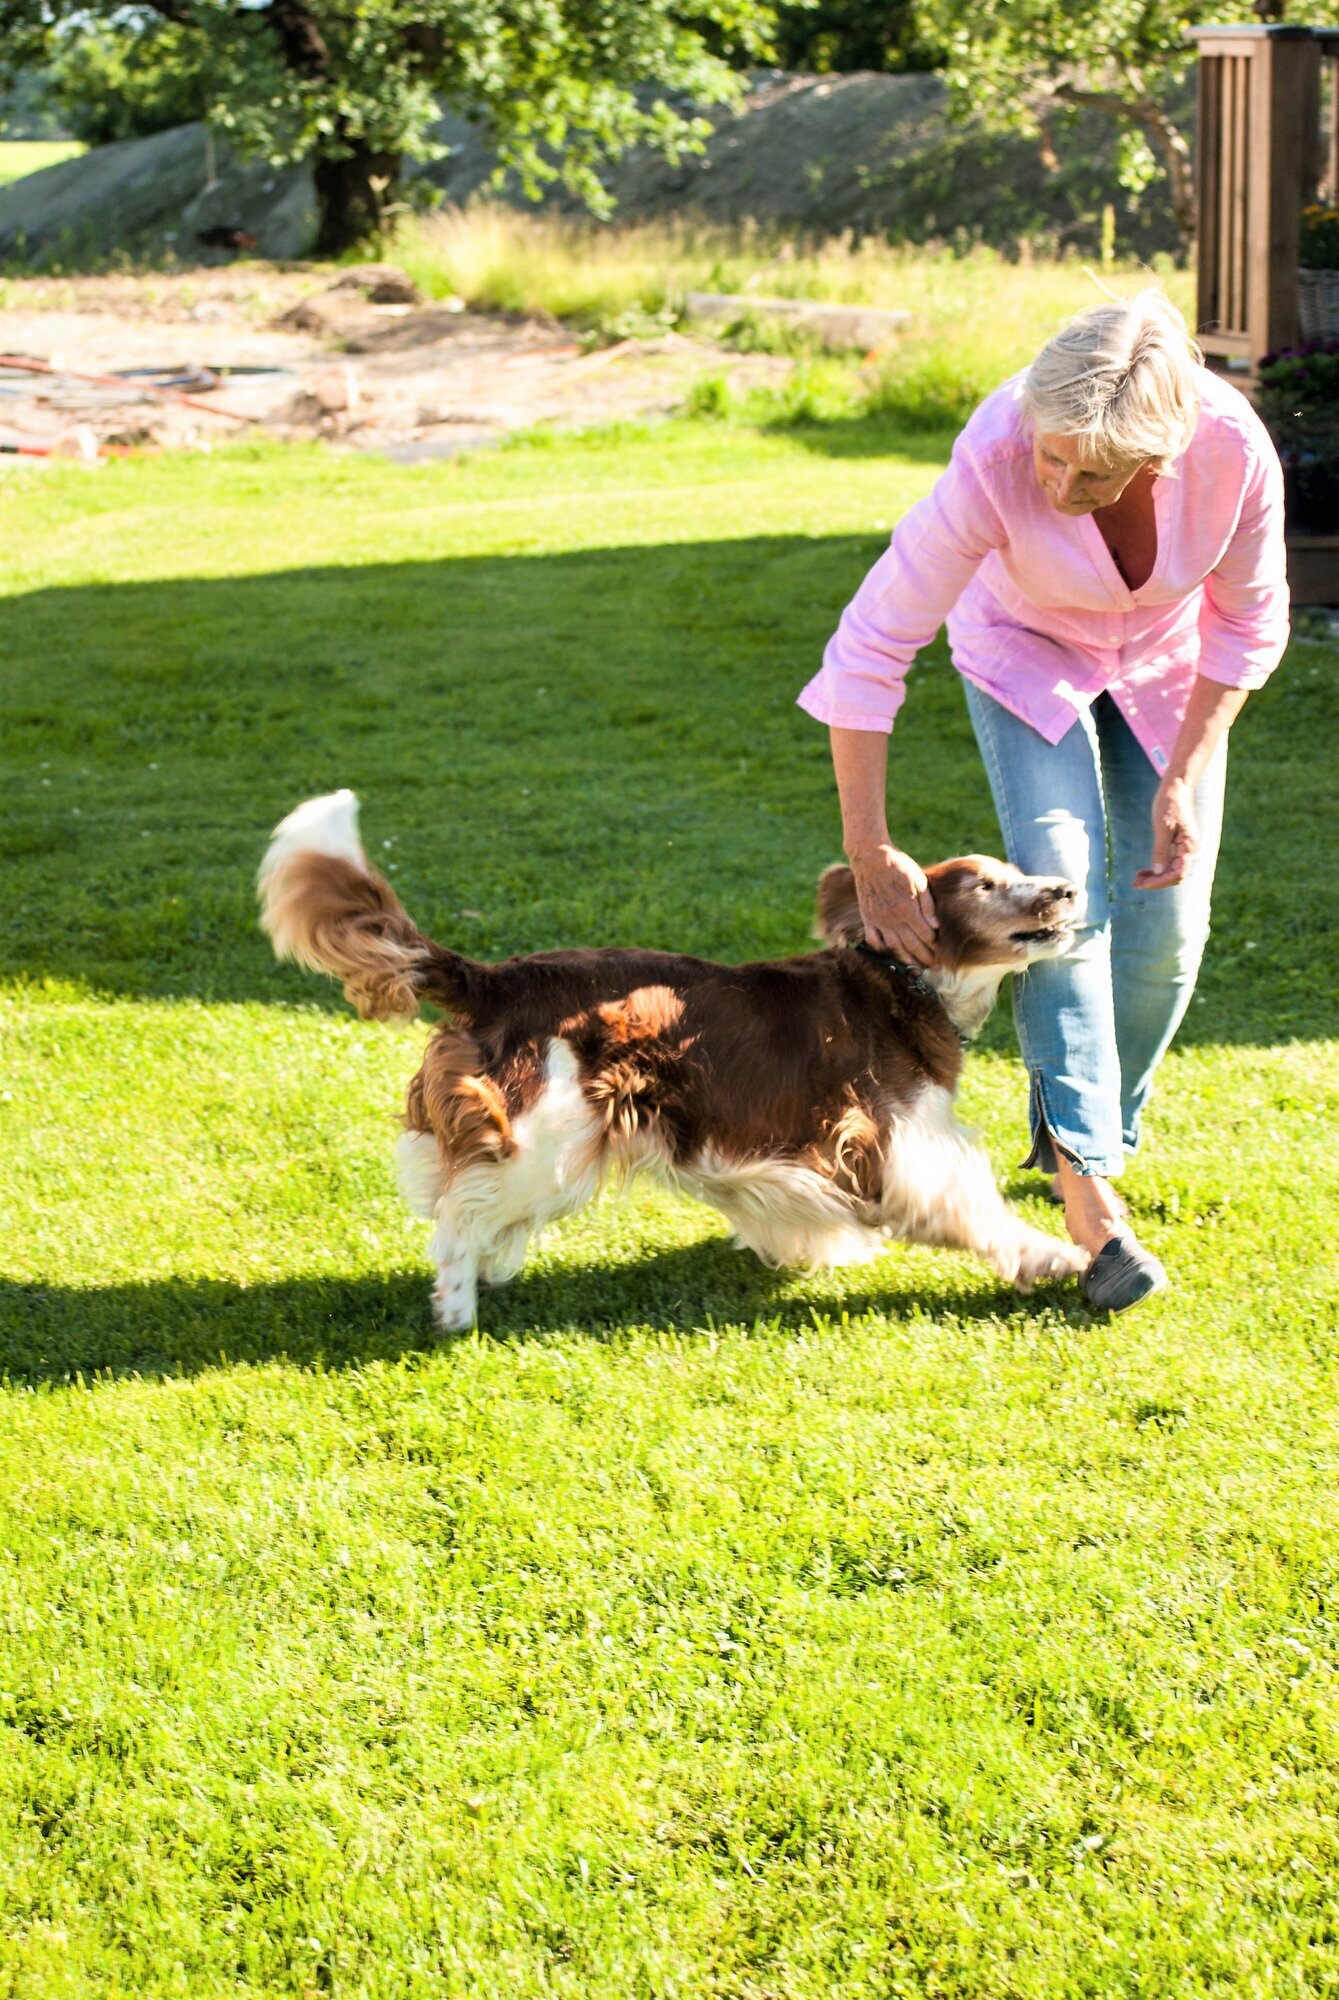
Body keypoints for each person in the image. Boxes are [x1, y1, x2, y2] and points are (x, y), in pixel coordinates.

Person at [797, 290, 1289, 1312]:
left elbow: (1246, 624)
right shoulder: (996, 451)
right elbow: (869, 645)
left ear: (1159, 455)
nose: (1060, 482)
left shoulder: (1233, 453)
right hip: (1023, 653)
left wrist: (1189, 771)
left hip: (1168, 667)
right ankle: (1091, 1201)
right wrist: (870, 845)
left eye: (1092, 471)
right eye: (1051, 457)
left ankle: (1078, 1119)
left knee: (1167, 933)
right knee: (1058, 912)